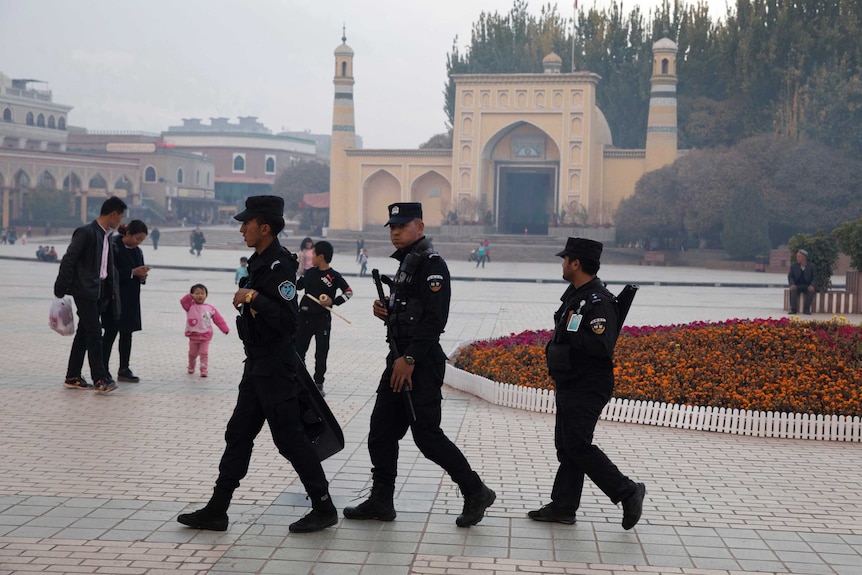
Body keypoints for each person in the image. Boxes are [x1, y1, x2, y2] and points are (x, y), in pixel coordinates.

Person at [177, 195, 338, 534]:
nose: (241, 229)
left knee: (290, 439)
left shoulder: (279, 266)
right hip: (257, 365)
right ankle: (217, 509)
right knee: (238, 434)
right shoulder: (259, 262)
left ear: (264, 227)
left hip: (276, 367)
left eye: (246, 223)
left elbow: (287, 320)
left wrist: (253, 297)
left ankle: (323, 506)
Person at [343, 202, 496, 528]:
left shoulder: (432, 266)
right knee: (380, 432)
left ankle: (475, 490)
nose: (395, 232)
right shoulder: (407, 265)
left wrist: (410, 359)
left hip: (419, 364)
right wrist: (388, 309)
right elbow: (412, 312)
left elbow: (434, 320)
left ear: (420, 227)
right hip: (398, 361)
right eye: (392, 227)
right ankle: (381, 501)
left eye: (402, 226)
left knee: (427, 436)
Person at [529, 237, 646, 529]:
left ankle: (627, 491)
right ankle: (563, 506)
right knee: (567, 446)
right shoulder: (576, 296)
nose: (562, 263)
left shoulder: (599, 301)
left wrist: (574, 332)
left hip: (588, 384)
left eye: (565, 259)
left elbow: (601, 346)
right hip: (571, 381)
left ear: (576, 263)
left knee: (577, 445)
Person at [53, 196, 127, 393]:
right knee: (95, 333)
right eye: (120, 216)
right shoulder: (86, 232)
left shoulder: (106, 236)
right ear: (112, 214)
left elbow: (106, 267)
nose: (120, 220)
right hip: (84, 290)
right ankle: (100, 378)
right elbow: (69, 259)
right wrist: (60, 287)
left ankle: (73, 375)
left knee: (85, 333)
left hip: (99, 290)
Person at [295, 240, 353, 396]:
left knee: (321, 351)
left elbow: (349, 293)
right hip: (304, 317)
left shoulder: (334, 277)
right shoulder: (309, 273)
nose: (311, 256)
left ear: (320, 257)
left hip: (322, 319)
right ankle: (301, 379)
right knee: (299, 349)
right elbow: (296, 286)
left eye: (313, 254)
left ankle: (319, 383)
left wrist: (332, 302)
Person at [103, 220, 150, 383]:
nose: (138, 243)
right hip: (114, 298)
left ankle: (124, 368)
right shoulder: (113, 246)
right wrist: (131, 272)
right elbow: (109, 272)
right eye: (137, 238)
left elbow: (138, 271)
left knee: (127, 334)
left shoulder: (138, 251)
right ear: (128, 234)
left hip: (131, 299)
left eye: (141, 240)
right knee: (110, 334)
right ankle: (102, 369)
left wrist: (142, 275)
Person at [180, 284, 230, 377]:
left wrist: (225, 329)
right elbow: (183, 302)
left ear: (206, 295)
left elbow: (218, 319)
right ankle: (191, 366)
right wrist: (190, 296)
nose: (200, 295)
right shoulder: (189, 306)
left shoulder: (210, 308)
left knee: (204, 353)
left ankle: (204, 369)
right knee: (192, 353)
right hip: (193, 334)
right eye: (197, 293)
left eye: (202, 293)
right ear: (192, 295)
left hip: (206, 335)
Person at [788, 248, 817, 315]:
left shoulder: (811, 266)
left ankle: (806, 310)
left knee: (811, 291)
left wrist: (812, 285)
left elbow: (815, 277)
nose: (797, 258)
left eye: (799, 257)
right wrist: (792, 284)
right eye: (797, 257)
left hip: (807, 285)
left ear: (804, 258)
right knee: (792, 290)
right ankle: (793, 309)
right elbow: (790, 276)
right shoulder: (793, 266)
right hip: (797, 285)